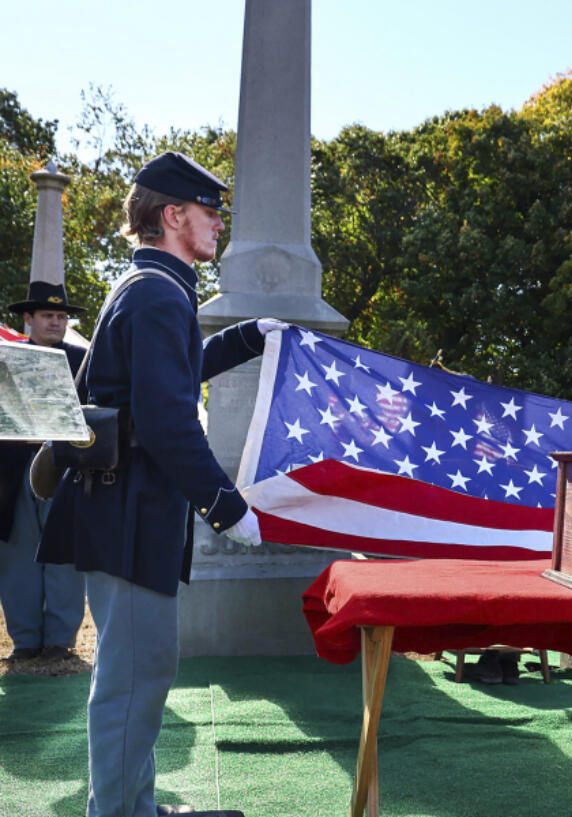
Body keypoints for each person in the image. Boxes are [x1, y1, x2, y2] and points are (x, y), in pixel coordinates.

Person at [37, 151, 286, 817]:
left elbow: (171, 372)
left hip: (124, 508)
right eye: (211, 213)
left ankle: (133, 805)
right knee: (133, 676)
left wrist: (246, 338)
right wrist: (226, 505)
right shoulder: (156, 293)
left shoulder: (151, 287)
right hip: (128, 513)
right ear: (174, 216)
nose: (218, 226)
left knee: (141, 671)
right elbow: (168, 418)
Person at [0, 282, 87, 660]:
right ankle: (24, 640)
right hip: (14, 468)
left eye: (62, 316)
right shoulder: (6, 358)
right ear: (28, 318)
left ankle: (59, 640)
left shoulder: (83, 360)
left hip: (65, 466)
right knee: (18, 555)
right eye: (48, 315)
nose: (56, 322)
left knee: (64, 554)